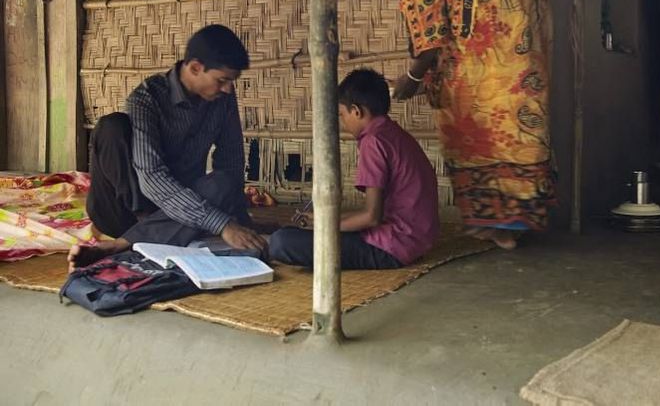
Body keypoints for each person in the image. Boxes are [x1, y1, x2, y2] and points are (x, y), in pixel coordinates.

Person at [357, 0, 555, 250]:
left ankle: (507, 220)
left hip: (500, 1)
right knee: (480, 101)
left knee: (494, 105)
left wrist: (412, 79)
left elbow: (430, 37)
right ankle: (497, 217)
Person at [68, 24, 266, 271]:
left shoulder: (222, 98)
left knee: (222, 182)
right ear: (195, 68)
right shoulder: (146, 99)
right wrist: (221, 225)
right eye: (223, 80)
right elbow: (151, 177)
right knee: (112, 127)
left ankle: (125, 245)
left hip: (181, 210)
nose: (228, 88)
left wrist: (238, 221)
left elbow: (232, 159)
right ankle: (132, 240)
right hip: (123, 211)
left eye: (231, 81)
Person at [268, 69, 439, 269]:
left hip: (393, 247)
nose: (343, 122)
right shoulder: (393, 134)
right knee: (300, 234)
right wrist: (324, 220)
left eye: (342, 114)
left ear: (356, 111)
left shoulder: (373, 142)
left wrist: (322, 226)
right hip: (417, 239)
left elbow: (371, 217)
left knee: (282, 242)